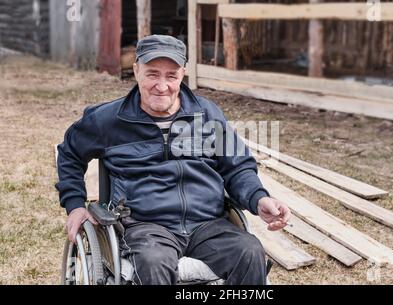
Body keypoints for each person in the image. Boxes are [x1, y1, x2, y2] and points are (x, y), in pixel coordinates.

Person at [56, 34, 291, 285]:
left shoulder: (207, 114)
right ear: (136, 71)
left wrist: (259, 198)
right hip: (146, 227)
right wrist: (75, 205)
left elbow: (237, 167)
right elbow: (69, 152)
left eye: (171, 75)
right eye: (152, 74)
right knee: (153, 260)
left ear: (183, 74)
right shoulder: (108, 119)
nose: (162, 85)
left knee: (249, 250)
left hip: (208, 224)